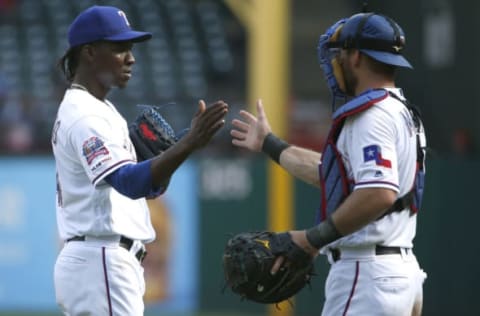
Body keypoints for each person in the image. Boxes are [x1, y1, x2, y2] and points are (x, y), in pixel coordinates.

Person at [231, 12, 427, 316]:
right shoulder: (399, 110)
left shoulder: (371, 115)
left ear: (357, 57)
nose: (336, 62)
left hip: (367, 275)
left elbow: (378, 193)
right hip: (397, 272)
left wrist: (311, 240)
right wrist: (269, 143)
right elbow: (335, 174)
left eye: (342, 53)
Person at [51, 5, 228, 315]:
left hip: (101, 262)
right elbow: (130, 183)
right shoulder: (85, 115)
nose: (131, 58)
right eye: (119, 48)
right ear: (90, 52)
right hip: (101, 260)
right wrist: (189, 143)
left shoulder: (97, 108)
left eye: (130, 48)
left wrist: (183, 148)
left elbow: (148, 189)